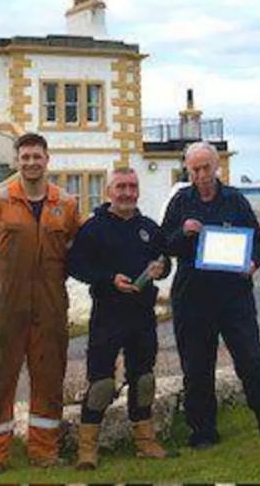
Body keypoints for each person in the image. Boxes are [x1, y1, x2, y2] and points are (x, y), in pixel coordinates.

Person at [161, 141, 260, 448]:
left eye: (206, 167)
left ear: (217, 167)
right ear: (187, 169)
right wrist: (183, 233)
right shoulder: (180, 202)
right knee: (196, 366)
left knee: (251, 359)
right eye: (195, 169)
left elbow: (257, 240)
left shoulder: (235, 200)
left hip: (234, 295)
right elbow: (163, 244)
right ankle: (203, 432)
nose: (202, 174)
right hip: (192, 295)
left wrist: (253, 263)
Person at [0, 132, 81, 475]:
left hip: (50, 305)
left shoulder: (66, 204)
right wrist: (12, 281)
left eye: (37, 156)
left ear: (47, 159)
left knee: (49, 379)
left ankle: (44, 450)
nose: (31, 163)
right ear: (18, 161)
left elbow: (73, 251)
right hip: (5, 307)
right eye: (25, 157)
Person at [66, 167, 172, 470]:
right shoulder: (93, 228)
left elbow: (166, 265)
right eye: (120, 187)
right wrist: (108, 279)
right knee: (100, 384)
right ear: (109, 191)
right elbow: (76, 266)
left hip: (141, 315)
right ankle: (87, 449)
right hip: (107, 314)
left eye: (132, 186)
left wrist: (160, 270)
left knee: (144, 380)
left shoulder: (150, 228)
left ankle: (145, 441)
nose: (127, 192)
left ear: (137, 191)